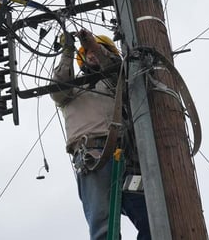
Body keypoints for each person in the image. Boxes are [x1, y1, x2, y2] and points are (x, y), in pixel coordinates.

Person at [51, 29, 151, 240]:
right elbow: (58, 87)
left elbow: (117, 73)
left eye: (100, 51)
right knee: (104, 229)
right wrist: (68, 50)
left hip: (128, 158)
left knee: (153, 218)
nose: (93, 55)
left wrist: (94, 45)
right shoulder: (72, 90)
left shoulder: (118, 83)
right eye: (88, 53)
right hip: (94, 156)